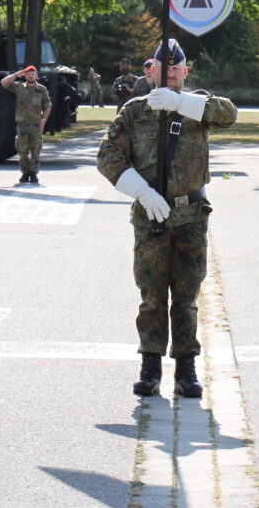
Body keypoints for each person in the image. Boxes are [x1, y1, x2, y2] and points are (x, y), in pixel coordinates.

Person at [97, 39, 237, 400]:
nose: (171, 73)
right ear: (152, 70)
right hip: (150, 215)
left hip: (190, 215)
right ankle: (150, 365)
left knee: (187, 296)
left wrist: (181, 103)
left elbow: (228, 114)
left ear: (185, 72)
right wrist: (141, 191)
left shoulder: (198, 105)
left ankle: (187, 368)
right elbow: (108, 155)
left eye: (177, 68)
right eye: (165, 67)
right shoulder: (134, 110)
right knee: (152, 295)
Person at [0, 65, 52, 184]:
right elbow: (3, 83)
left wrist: (43, 121)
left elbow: (48, 105)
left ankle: (33, 174)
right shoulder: (19, 87)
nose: (31, 75)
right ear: (25, 75)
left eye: (33, 73)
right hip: (22, 125)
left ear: (37, 76)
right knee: (22, 150)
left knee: (36, 150)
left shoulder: (42, 89)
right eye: (28, 73)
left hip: (36, 125)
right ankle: (25, 173)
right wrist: (16, 74)